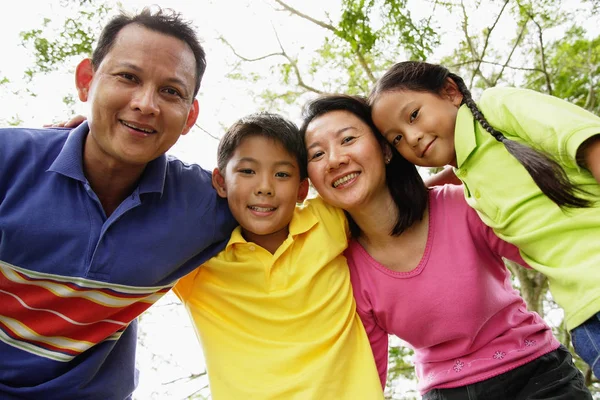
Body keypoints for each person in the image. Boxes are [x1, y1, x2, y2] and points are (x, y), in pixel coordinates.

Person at [0, 8, 236, 399]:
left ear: (190, 115)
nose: (146, 104)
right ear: (87, 81)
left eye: (171, 91)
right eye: (128, 77)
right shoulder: (9, 162)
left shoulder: (204, 206)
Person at [300, 94, 592, 399]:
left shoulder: (458, 205)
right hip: (445, 392)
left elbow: (550, 253)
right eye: (317, 154)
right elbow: (367, 374)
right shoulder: (344, 268)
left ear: (386, 149)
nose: (334, 160)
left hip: (537, 374)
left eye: (347, 139)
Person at [368, 60, 600, 379]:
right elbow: (455, 177)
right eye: (396, 139)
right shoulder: (468, 180)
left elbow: (591, 144)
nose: (412, 138)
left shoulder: (496, 106)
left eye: (414, 115)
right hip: (585, 318)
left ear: (450, 92)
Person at [173, 112, 384, 399]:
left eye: (282, 174)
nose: (265, 187)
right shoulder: (197, 265)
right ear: (221, 182)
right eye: (247, 171)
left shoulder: (327, 220)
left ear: (302, 189)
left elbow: (399, 205)